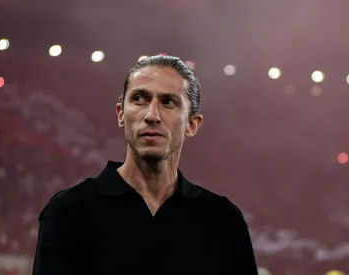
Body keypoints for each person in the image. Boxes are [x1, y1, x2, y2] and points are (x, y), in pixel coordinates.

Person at [32, 55, 258, 275]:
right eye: (139, 98)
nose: (152, 115)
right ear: (121, 114)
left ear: (192, 124)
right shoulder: (69, 212)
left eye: (168, 102)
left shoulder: (223, 220)